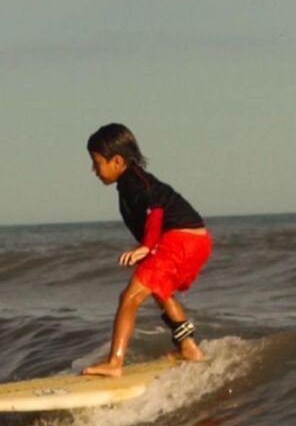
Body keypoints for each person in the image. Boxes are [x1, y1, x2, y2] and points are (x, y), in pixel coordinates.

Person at [83, 123, 212, 377]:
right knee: (160, 293)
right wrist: (148, 248)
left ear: (117, 161)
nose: (93, 170)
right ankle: (189, 348)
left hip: (180, 238)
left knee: (128, 298)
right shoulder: (131, 181)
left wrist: (146, 246)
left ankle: (114, 363)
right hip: (193, 238)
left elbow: (155, 211)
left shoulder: (133, 180)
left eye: (96, 162)